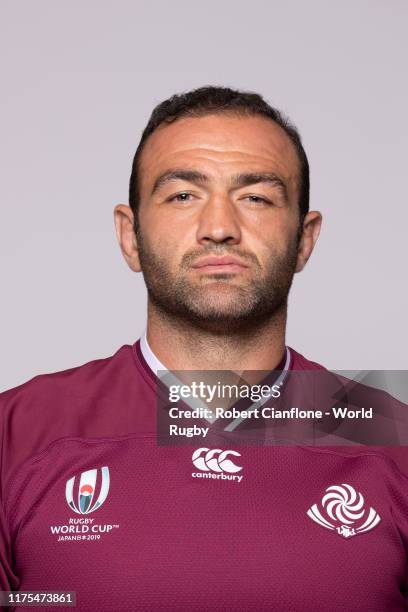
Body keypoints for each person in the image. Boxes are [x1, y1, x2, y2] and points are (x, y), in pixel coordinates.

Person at [1, 86, 407, 611]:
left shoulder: (392, 441)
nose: (219, 228)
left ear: (305, 240)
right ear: (130, 236)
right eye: (183, 196)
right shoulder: (17, 433)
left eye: (256, 197)